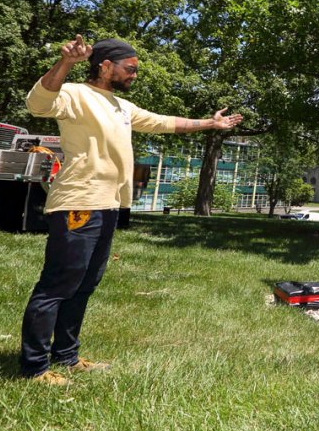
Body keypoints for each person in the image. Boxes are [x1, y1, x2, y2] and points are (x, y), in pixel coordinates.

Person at [19, 35, 242, 385]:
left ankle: (66, 356)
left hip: (108, 204)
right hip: (79, 202)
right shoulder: (75, 94)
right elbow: (37, 103)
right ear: (106, 66)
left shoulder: (121, 106)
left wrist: (210, 124)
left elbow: (164, 122)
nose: (134, 75)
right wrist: (66, 63)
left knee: (85, 284)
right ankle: (34, 367)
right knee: (59, 284)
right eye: (130, 68)